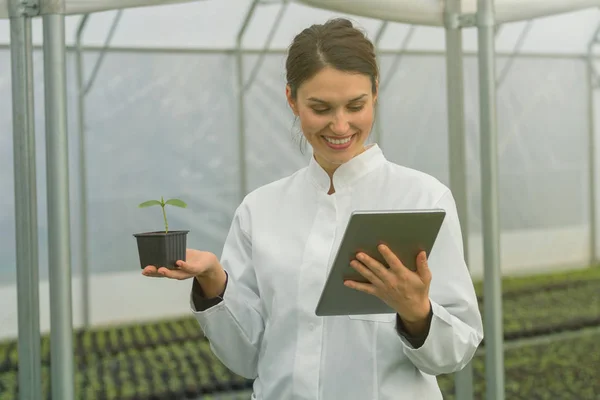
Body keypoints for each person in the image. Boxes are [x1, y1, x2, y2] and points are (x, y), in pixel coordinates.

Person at [143, 18, 483, 400]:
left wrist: (417, 311)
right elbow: (246, 357)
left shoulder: (423, 199)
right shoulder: (261, 209)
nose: (340, 125)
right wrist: (214, 284)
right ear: (292, 99)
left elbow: (458, 349)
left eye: (356, 105)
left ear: (375, 92)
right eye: (320, 108)